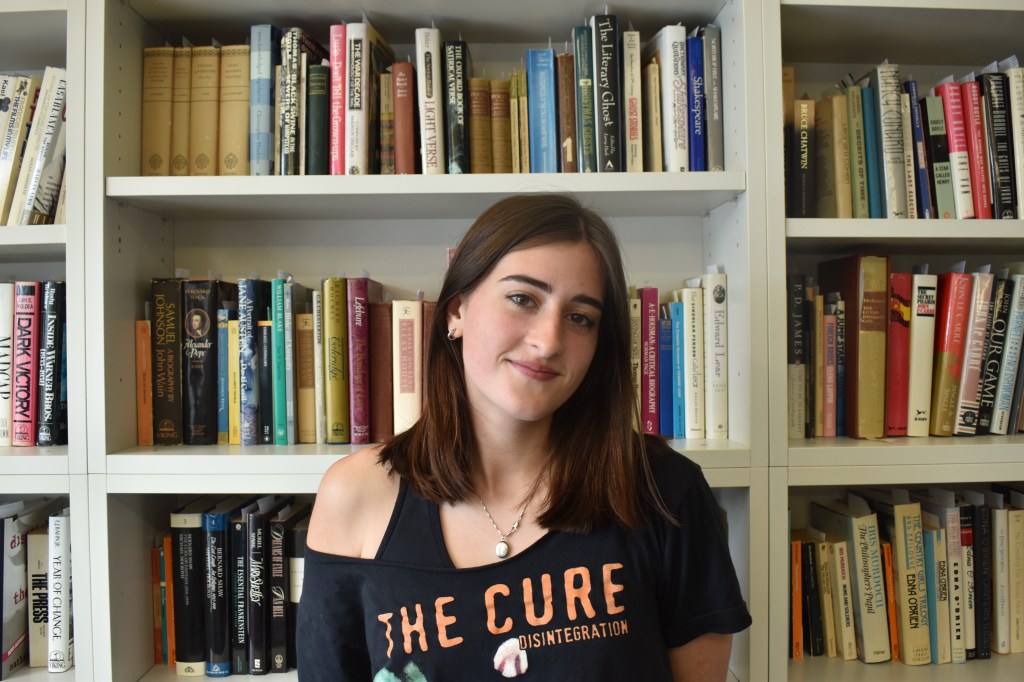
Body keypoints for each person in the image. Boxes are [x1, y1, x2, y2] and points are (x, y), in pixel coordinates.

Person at [297, 194, 751, 681]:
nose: (549, 341)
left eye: (580, 318)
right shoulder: (354, 496)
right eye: (523, 299)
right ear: (456, 311)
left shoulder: (666, 493)